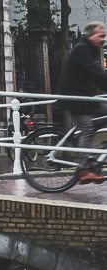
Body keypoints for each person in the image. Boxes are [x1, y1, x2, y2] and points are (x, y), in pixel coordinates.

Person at [57, 21, 107, 183]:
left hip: (84, 97)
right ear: (90, 35)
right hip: (74, 98)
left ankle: (93, 153)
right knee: (87, 127)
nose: (103, 39)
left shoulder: (90, 49)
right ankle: (83, 169)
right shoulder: (82, 49)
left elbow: (97, 77)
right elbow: (96, 73)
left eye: (104, 36)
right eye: (100, 36)